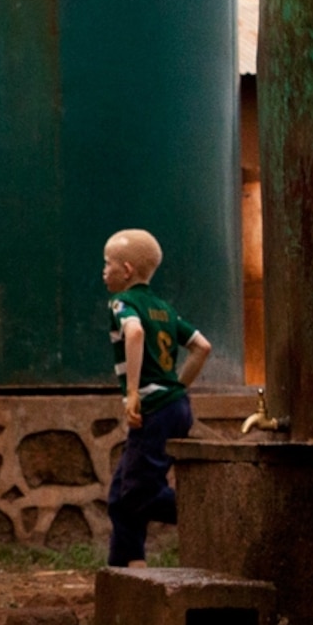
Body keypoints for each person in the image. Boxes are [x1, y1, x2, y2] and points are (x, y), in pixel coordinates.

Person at [101, 228, 212, 568]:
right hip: (176, 406)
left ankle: (209, 516)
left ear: (127, 269)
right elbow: (201, 347)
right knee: (121, 498)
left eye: (108, 264)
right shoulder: (164, 308)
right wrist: (176, 387)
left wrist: (133, 393)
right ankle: (130, 567)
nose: (103, 271)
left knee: (138, 494)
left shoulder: (124, 302)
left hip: (154, 409)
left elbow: (133, 332)